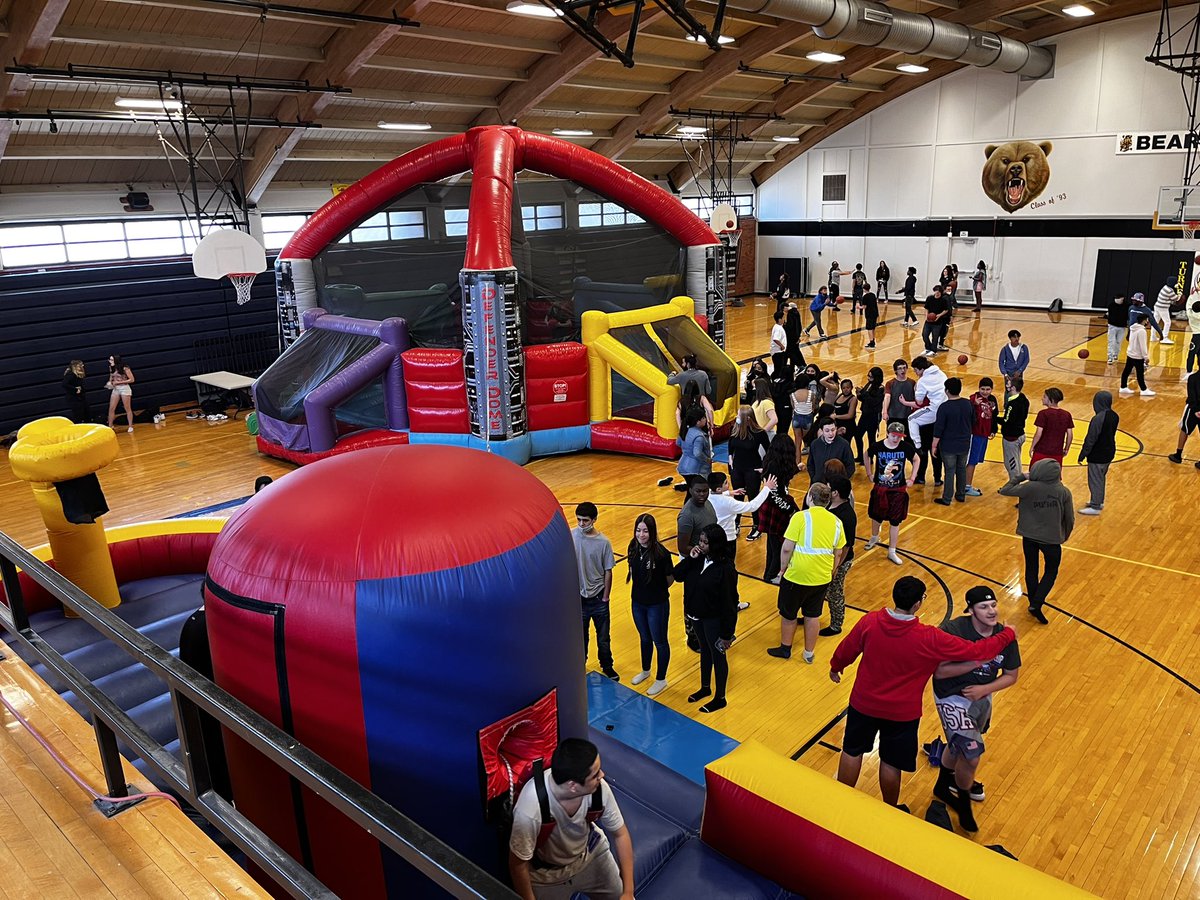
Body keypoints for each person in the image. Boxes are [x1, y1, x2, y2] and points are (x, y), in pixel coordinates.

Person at [829, 576, 1018, 811]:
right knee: (890, 762)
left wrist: (836, 667)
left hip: (863, 704)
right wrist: (1008, 634)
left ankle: (838, 801)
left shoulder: (870, 621)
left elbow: (847, 649)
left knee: (852, 750)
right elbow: (977, 650)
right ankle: (890, 809)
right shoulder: (929, 637)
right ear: (918, 604)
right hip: (901, 714)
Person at [931, 586, 1022, 833]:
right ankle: (963, 805)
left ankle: (941, 786)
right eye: (984, 607)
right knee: (971, 756)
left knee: (958, 746)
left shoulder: (1004, 636)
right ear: (970, 610)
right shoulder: (953, 630)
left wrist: (985, 690)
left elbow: (1011, 676)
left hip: (981, 695)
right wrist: (977, 662)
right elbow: (940, 671)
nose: (992, 611)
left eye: (993, 605)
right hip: (951, 696)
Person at [509, 737, 636, 900]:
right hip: (547, 876)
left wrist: (628, 892)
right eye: (595, 774)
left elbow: (620, 834)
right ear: (573, 786)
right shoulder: (530, 810)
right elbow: (517, 865)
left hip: (591, 854)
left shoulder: (599, 789)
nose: (602, 775)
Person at [768, 482, 847, 665]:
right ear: (827, 501)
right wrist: (833, 570)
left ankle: (785, 649)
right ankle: (808, 653)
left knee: (789, 615)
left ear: (809, 497)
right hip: (821, 577)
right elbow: (838, 552)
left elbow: (787, 548)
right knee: (813, 615)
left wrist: (782, 569)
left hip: (797, 576)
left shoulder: (800, 517)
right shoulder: (836, 522)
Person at [998, 458, 1074, 624]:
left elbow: (1004, 490)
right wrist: (1064, 535)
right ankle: (1036, 603)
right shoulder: (1063, 491)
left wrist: (1020, 476)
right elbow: (1070, 518)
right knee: (1051, 572)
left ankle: (1033, 602)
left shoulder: (1029, 488)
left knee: (1031, 569)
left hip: (1029, 536)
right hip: (1052, 540)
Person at [673, 524, 740, 713]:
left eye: (705, 542)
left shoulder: (726, 569)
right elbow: (677, 576)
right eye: (700, 541)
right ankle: (705, 688)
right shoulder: (697, 558)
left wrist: (728, 634)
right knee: (705, 651)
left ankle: (720, 697)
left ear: (716, 544)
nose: (701, 545)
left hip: (713, 619)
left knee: (717, 655)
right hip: (696, 616)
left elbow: (730, 602)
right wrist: (689, 558)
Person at [626, 514, 674, 696]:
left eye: (645, 531)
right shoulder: (633, 547)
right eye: (638, 530)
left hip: (657, 605)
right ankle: (646, 670)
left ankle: (661, 679)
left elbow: (670, 579)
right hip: (638, 602)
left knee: (659, 641)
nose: (641, 535)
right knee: (644, 638)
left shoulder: (661, 554)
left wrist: (656, 590)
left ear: (652, 532)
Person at [573, 502, 618, 681]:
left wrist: (606, 597)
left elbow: (608, 571)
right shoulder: (571, 536)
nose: (581, 524)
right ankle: (579, 667)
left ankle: (607, 665)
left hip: (598, 597)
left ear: (594, 520)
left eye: (585, 520)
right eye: (579, 520)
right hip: (579, 598)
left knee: (603, 638)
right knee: (581, 638)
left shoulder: (603, 543)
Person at [865, 422, 917, 566]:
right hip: (880, 488)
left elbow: (916, 459)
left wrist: (912, 478)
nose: (896, 439)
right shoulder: (878, 446)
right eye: (893, 436)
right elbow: (867, 454)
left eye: (899, 437)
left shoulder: (905, 447)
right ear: (887, 433)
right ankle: (874, 537)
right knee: (876, 515)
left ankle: (892, 550)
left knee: (895, 520)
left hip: (898, 490)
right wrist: (869, 472)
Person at [707, 470, 775, 570]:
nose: (728, 483)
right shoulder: (729, 502)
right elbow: (752, 506)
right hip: (727, 539)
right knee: (727, 567)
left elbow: (714, 494)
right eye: (725, 483)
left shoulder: (707, 496)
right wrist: (766, 488)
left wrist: (728, 492)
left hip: (711, 538)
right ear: (718, 489)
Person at [759, 434, 801, 583]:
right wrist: (789, 509)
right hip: (775, 507)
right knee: (777, 546)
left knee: (773, 544)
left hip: (774, 505)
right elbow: (774, 493)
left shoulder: (774, 462)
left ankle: (769, 574)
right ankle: (772, 575)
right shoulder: (774, 466)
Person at [821, 475, 857, 637]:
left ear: (835, 493)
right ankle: (811, 614)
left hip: (840, 560)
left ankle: (836, 624)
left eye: (828, 487)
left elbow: (846, 545)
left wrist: (836, 567)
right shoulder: (828, 505)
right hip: (825, 556)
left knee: (835, 591)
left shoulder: (847, 515)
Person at [728, 405, 770, 541]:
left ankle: (757, 525)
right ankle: (736, 523)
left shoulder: (759, 433)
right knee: (738, 496)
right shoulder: (735, 429)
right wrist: (730, 457)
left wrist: (765, 467)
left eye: (739, 415)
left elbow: (769, 451)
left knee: (753, 498)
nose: (736, 417)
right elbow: (731, 445)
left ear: (746, 418)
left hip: (752, 469)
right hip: (737, 468)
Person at [931, 377, 973, 506]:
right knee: (961, 469)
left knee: (949, 471)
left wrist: (933, 446)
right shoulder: (967, 404)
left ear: (947, 390)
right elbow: (973, 421)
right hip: (964, 443)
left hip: (949, 445)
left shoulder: (944, 407)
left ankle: (947, 498)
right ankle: (960, 495)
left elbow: (939, 429)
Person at [1077, 390, 1118, 516]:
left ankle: (1095, 506)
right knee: (1101, 478)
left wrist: (1083, 454)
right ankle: (1098, 501)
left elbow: (1091, 438)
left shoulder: (1098, 418)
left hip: (1098, 454)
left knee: (1095, 479)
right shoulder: (1114, 415)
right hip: (1109, 451)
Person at [908, 355, 947, 485]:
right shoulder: (941, 373)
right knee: (936, 452)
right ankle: (937, 479)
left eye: (915, 370)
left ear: (921, 369)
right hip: (942, 415)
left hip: (931, 414)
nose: (916, 373)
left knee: (911, 419)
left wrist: (907, 401)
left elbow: (919, 402)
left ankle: (917, 445)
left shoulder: (923, 381)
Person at [964, 377, 999, 497]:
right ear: (978, 389)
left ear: (991, 389)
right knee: (971, 460)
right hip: (975, 434)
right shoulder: (973, 398)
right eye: (982, 389)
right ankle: (966, 487)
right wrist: (974, 405)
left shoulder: (993, 400)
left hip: (984, 434)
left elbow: (994, 416)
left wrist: (994, 429)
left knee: (976, 460)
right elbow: (967, 414)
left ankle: (966, 484)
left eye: (988, 389)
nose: (985, 392)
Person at [999, 374, 1030, 488]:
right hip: (1021, 434)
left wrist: (994, 418)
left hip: (1011, 437)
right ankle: (1017, 483)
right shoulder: (1024, 399)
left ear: (1012, 388)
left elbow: (1007, 421)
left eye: (1008, 384)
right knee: (1017, 462)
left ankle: (1014, 487)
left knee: (1011, 463)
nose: (1006, 385)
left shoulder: (1012, 403)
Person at [1030, 387, 1074, 465]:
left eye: (1044, 397)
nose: (1042, 398)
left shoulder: (1043, 413)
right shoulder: (1067, 415)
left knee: (1035, 474)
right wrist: (1066, 449)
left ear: (1051, 399)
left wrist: (1032, 447)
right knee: (1053, 476)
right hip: (1057, 453)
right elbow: (1070, 434)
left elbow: (1039, 433)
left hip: (1041, 451)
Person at [676, 476, 717, 558]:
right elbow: (683, 548)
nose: (702, 494)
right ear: (690, 491)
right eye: (698, 491)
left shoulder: (708, 502)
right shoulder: (686, 516)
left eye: (705, 491)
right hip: (694, 560)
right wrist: (705, 550)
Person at [806, 418, 855, 483]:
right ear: (821, 430)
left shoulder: (844, 444)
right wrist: (814, 477)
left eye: (833, 430)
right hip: (817, 484)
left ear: (836, 429)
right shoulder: (815, 444)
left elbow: (850, 466)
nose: (831, 433)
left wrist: (841, 480)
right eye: (827, 431)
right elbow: (810, 464)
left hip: (836, 486)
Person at [1168, 369, 1200, 468]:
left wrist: (1196, 410)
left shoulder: (1193, 378)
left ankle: (1178, 455)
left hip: (1192, 410)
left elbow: (1192, 396)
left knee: (1184, 430)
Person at [854, 366, 885, 466]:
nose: (868, 378)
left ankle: (870, 458)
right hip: (865, 414)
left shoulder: (880, 389)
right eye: (868, 376)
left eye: (871, 377)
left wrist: (865, 394)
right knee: (858, 435)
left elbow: (874, 402)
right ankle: (860, 455)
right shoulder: (869, 385)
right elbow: (864, 399)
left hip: (873, 416)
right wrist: (859, 394)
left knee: (871, 437)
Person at [1119, 313, 1155, 398]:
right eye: (1147, 320)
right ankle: (1144, 389)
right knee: (1140, 373)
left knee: (1126, 371)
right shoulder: (1142, 331)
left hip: (1130, 353)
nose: (1148, 321)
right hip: (1137, 355)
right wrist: (1145, 357)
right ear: (1144, 321)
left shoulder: (1133, 328)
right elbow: (1143, 345)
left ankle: (1123, 386)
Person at [677, 406, 713, 485]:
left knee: (691, 491)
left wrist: (687, 450)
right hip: (696, 469)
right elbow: (697, 453)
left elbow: (678, 443)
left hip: (683, 465)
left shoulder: (684, 431)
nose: (705, 420)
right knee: (699, 492)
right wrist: (707, 459)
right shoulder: (699, 436)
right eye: (703, 418)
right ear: (698, 421)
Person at [883, 359, 915, 436]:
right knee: (891, 438)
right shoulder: (890, 383)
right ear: (895, 371)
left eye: (904, 368)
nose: (903, 370)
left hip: (907, 416)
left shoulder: (912, 383)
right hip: (893, 416)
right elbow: (887, 397)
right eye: (900, 368)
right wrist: (885, 412)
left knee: (908, 440)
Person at [106, 353, 135, 433]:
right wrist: (110, 382)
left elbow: (132, 379)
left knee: (127, 408)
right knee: (111, 408)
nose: (110, 361)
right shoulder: (111, 367)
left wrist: (119, 382)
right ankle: (110, 426)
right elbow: (111, 377)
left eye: (111, 360)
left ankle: (130, 426)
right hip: (116, 389)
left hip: (124, 388)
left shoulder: (125, 368)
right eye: (109, 359)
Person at [922, 284, 950, 356]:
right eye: (936, 292)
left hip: (938, 322)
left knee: (935, 337)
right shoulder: (930, 298)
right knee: (924, 335)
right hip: (928, 321)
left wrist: (939, 315)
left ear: (941, 292)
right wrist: (926, 316)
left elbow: (946, 310)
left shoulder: (943, 300)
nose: (937, 293)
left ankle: (933, 350)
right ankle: (928, 348)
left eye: (938, 292)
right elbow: (926, 308)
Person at [63, 359, 90, 424]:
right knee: (78, 414)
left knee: (86, 411)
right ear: (75, 367)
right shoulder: (71, 374)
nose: (82, 366)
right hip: (74, 398)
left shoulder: (77, 374)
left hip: (80, 397)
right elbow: (64, 384)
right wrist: (75, 389)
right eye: (80, 365)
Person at [1153, 280, 1178, 344]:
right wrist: (1180, 294)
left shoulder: (1165, 287)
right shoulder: (1170, 290)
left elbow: (1169, 299)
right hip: (1163, 308)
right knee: (1167, 322)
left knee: (1155, 322)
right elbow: (1176, 299)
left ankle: (1153, 337)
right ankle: (1164, 338)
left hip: (1157, 306)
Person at [1105, 294, 1128, 365]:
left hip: (1122, 327)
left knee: (1118, 341)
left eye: (1119, 298)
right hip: (1112, 326)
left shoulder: (1127, 306)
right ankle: (1110, 356)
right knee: (1111, 341)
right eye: (1116, 298)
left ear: (1123, 298)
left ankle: (1116, 354)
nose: (1117, 299)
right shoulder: (1111, 305)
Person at [784, 303, 807, 371]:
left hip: (791, 337)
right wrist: (798, 336)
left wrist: (785, 326)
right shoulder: (797, 313)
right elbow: (798, 326)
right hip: (796, 336)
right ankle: (803, 364)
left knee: (790, 353)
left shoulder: (790, 314)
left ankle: (800, 365)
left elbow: (791, 326)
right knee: (796, 351)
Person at [1186, 294, 1200, 377]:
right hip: (1198, 336)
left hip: (1195, 337)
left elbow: (1188, 305)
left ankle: (1189, 371)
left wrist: (1191, 296)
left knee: (1191, 354)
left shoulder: (1189, 314)